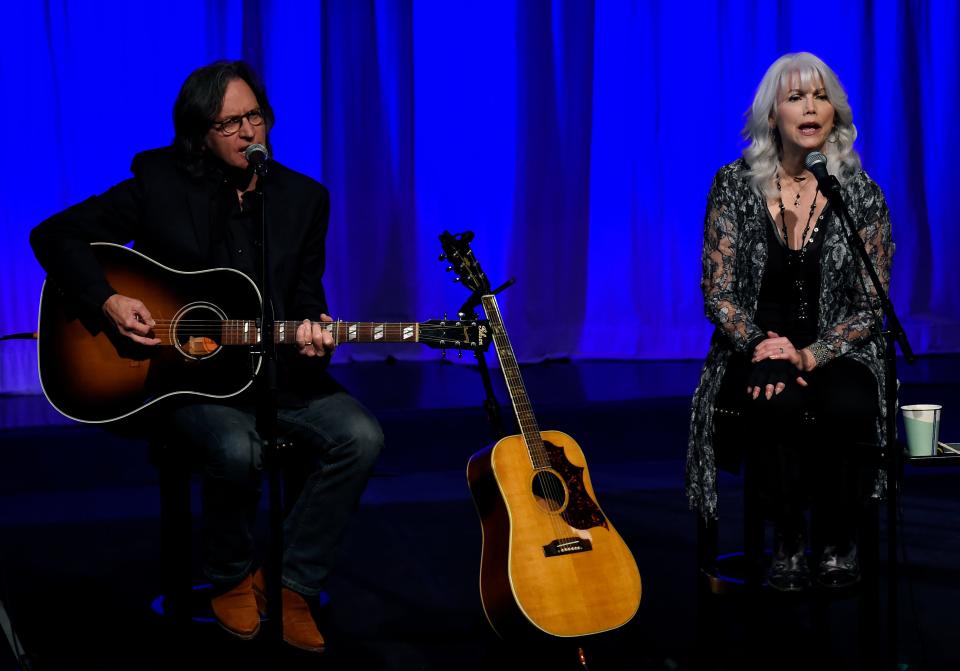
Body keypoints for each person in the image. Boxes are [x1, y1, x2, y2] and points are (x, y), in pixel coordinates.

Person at [30, 60, 384, 650]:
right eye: (231, 124)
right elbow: (54, 235)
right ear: (200, 134)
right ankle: (230, 575)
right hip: (175, 378)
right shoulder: (161, 182)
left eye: (256, 117)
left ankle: (293, 583)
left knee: (362, 436)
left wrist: (314, 338)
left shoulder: (303, 200)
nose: (250, 133)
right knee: (234, 446)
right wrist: (109, 301)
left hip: (273, 373)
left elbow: (304, 301)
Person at [686, 52, 893, 591]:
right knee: (777, 399)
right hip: (753, 348)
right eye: (795, 96)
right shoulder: (733, 186)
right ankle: (788, 537)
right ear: (771, 114)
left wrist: (811, 354)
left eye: (820, 96)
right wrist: (764, 345)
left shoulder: (861, 194)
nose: (809, 107)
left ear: (835, 115)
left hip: (837, 348)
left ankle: (836, 534)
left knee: (849, 399)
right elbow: (719, 293)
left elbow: (872, 305)